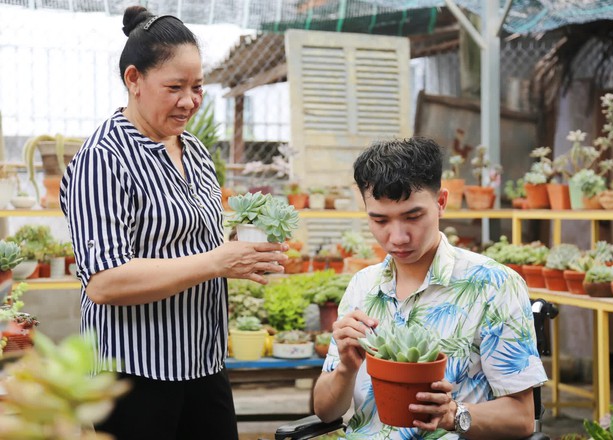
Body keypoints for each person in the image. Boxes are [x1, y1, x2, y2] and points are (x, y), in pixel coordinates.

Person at [60, 6, 287, 439]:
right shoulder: (104, 159)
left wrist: (246, 251)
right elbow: (105, 281)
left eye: (197, 87)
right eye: (175, 87)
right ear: (134, 80)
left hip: (202, 361)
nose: (189, 100)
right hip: (134, 372)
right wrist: (219, 262)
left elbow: (194, 244)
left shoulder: (195, 152)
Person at [313, 137, 547, 439]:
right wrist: (345, 368)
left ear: (441, 203)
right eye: (380, 220)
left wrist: (454, 414)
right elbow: (325, 411)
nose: (397, 237)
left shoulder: (493, 285)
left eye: (412, 216)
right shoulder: (363, 285)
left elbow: (522, 417)